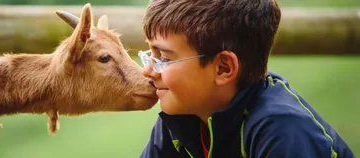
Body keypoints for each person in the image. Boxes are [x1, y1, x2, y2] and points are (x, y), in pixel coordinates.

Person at [137, 0, 355, 157]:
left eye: (164, 58)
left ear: (223, 68)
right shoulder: (182, 120)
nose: (148, 70)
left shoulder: (283, 131)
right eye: (150, 55)